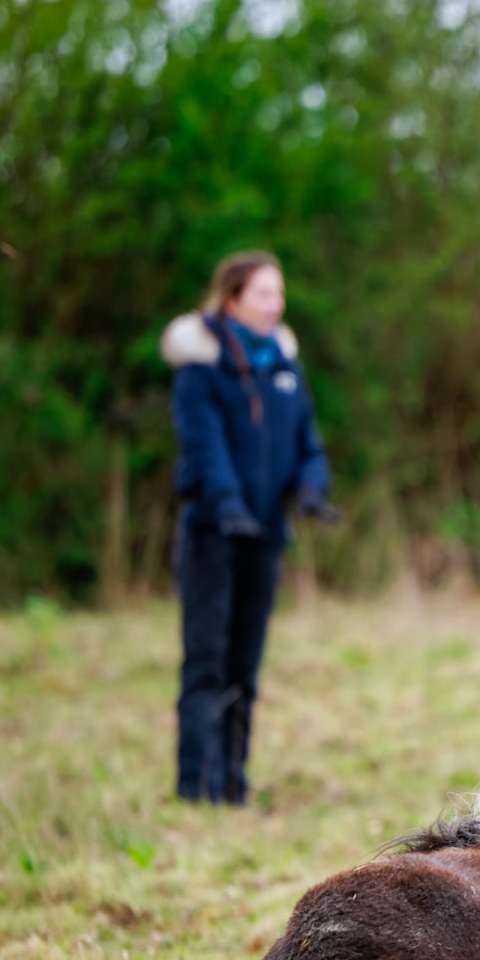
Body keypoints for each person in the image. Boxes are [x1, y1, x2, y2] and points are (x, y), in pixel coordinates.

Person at [161, 251, 338, 805]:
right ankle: (196, 788)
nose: (276, 304)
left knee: (246, 667)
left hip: (264, 537)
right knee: (207, 663)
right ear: (232, 298)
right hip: (213, 534)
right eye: (264, 293)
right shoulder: (201, 368)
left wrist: (310, 490)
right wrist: (228, 503)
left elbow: (308, 445)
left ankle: (233, 786)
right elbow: (204, 446)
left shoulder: (284, 367)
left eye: (279, 293)